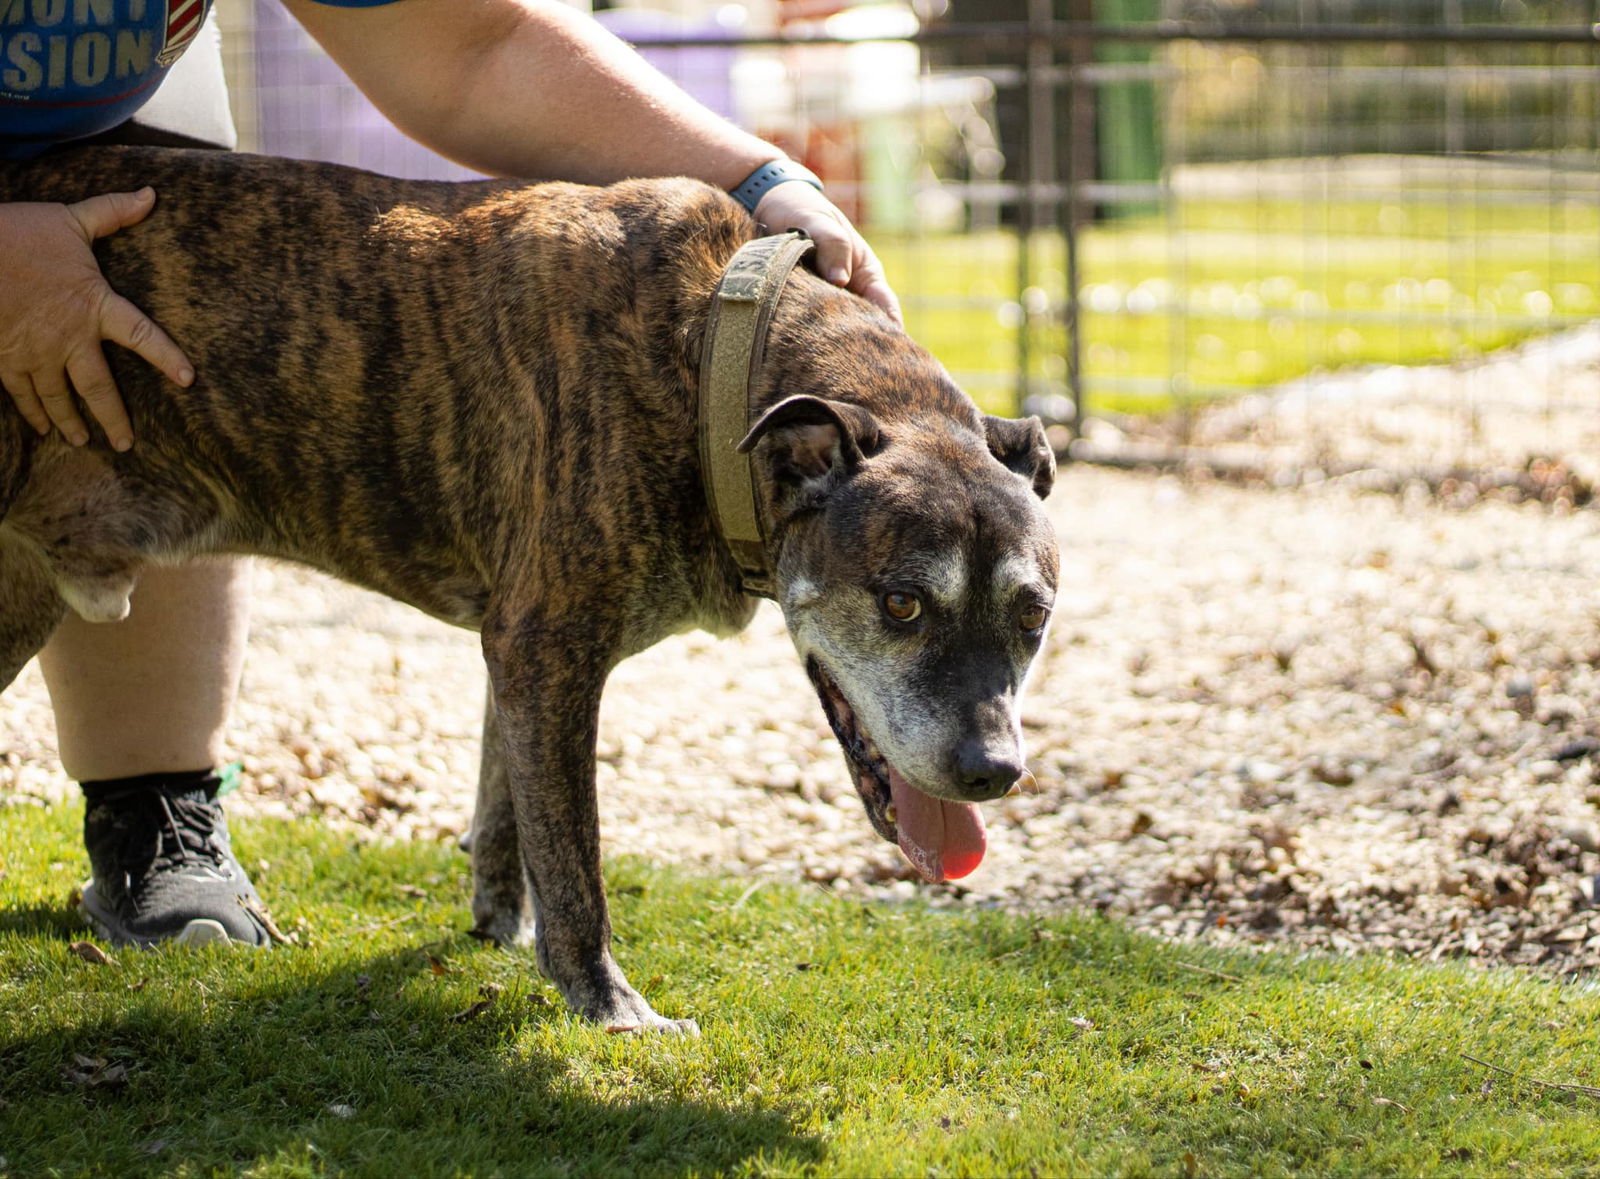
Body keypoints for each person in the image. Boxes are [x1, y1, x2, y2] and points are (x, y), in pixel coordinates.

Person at [1, 0, 902, 948]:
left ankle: (156, 810)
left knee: (173, 357)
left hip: (85, 131)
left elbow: (478, 45)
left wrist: (760, 179)